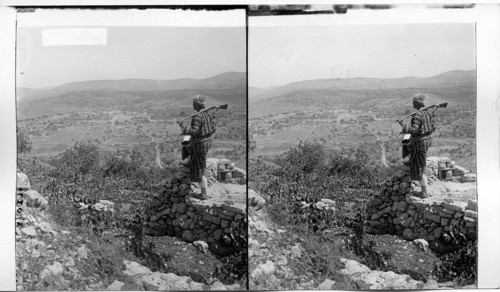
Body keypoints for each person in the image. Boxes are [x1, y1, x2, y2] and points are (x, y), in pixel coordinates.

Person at [179, 95, 216, 200]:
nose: (192, 105)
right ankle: (189, 160)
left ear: (196, 104)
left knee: (199, 168)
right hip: (207, 142)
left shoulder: (197, 116)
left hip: (200, 145)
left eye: (193, 103)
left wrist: (183, 127)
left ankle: (204, 194)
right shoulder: (207, 115)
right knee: (186, 140)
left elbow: (194, 132)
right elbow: (213, 129)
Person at [401, 93, 436, 198]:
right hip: (427, 140)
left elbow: (415, 130)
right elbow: (433, 127)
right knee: (405, 140)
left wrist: (405, 128)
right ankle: (412, 158)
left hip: (420, 142)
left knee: (421, 166)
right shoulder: (427, 113)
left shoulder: (417, 115)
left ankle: (424, 192)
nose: (412, 104)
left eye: (413, 102)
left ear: (416, 103)